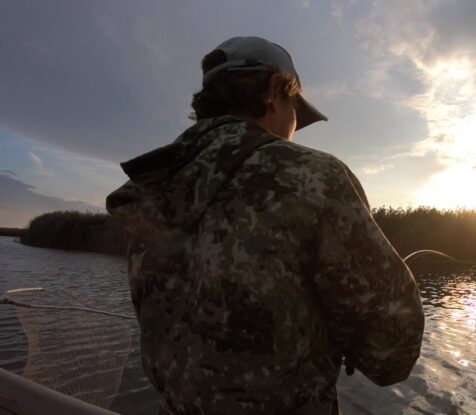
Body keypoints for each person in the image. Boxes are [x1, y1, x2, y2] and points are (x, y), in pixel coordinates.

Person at [106, 36, 425, 414]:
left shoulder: (155, 183)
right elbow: (391, 357)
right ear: (275, 92)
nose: (294, 128)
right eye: (296, 111)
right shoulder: (317, 176)